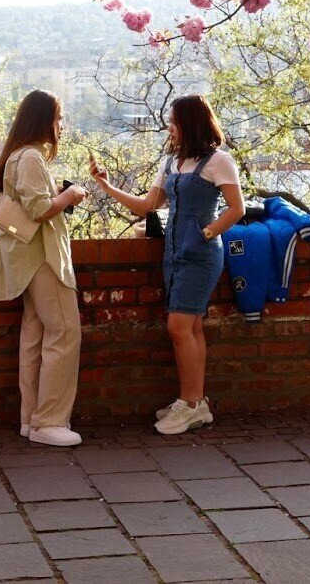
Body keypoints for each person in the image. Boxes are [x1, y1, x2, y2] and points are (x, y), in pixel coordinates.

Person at [90, 95, 244, 435]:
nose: (169, 128)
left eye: (173, 121)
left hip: (202, 256)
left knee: (178, 327)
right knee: (191, 327)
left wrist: (206, 232)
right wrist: (106, 185)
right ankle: (196, 403)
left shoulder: (219, 161)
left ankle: (189, 404)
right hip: (173, 254)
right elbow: (147, 205)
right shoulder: (171, 162)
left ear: (189, 123)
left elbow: (236, 209)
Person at [0, 90, 87, 447]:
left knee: (35, 337)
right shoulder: (31, 156)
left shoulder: (17, 156)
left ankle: (31, 420)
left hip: (27, 261)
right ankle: (49, 421)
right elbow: (38, 210)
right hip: (44, 258)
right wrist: (71, 195)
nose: (61, 125)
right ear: (44, 120)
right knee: (64, 332)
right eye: (59, 118)